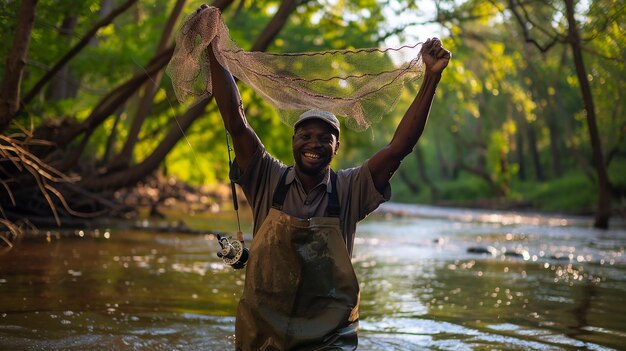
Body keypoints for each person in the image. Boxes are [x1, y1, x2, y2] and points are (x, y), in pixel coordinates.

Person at [207, 22, 450, 351]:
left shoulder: (351, 189)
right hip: (262, 338)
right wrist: (212, 49)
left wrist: (431, 78)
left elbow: (399, 148)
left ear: (336, 149)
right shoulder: (267, 177)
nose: (314, 143)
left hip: (330, 341)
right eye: (305, 135)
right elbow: (236, 123)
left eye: (325, 139)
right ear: (293, 141)